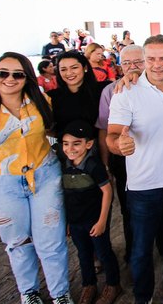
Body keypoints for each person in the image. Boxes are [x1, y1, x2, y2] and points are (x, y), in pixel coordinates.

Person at [0, 52, 72, 304]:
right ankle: (29, 292)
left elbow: (56, 129)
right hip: (1, 184)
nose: (10, 79)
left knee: (51, 241)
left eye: (18, 74)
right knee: (18, 242)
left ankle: (60, 294)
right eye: (3, 73)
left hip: (45, 177)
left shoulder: (41, 102)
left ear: (27, 77)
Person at [108, 35, 163, 304]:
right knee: (141, 248)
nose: (157, 65)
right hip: (143, 186)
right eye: (151, 59)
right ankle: (143, 296)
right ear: (144, 60)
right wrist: (119, 146)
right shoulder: (126, 91)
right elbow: (111, 136)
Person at [60, 120, 121, 304]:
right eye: (66, 144)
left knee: (103, 253)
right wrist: (68, 222)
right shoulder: (64, 165)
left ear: (89, 144)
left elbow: (107, 191)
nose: (70, 148)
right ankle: (89, 285)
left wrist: (102, 220)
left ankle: (113, 284)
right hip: (76, 222)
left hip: (94, 221)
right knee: (83, 254)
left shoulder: (93, 166)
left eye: (76, 143)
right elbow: (67, 197)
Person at [97, 45, 146, 265]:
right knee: (129, 209)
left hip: (154, 160)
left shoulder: (162, 86)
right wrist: (106, 163)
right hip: (124, 160)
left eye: (138, 62)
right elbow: (104, 130)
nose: (132, 68)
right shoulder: (111, 91)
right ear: (119, 66)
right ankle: (134, 252)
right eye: (127, 63)